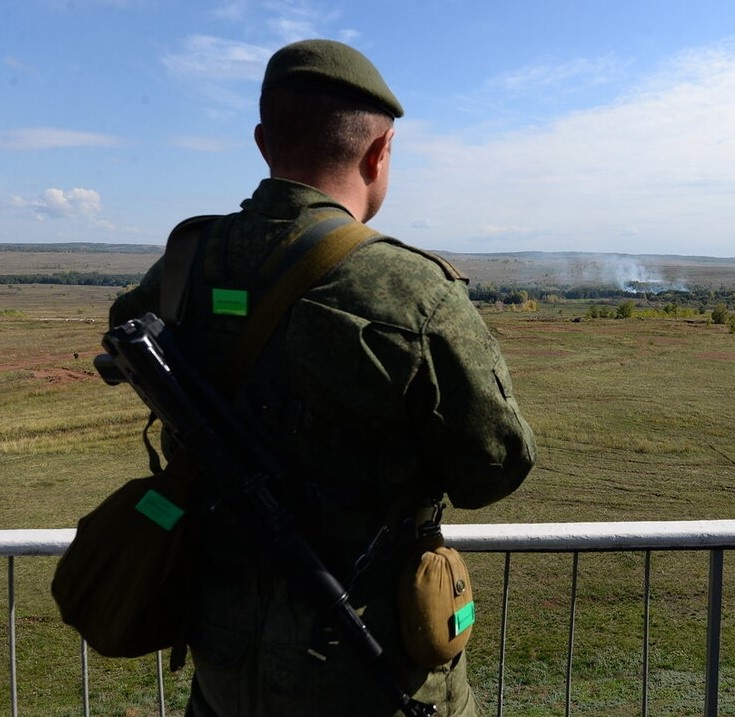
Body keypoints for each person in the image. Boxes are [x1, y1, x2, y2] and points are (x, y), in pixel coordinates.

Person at [109, 39, 537, 716]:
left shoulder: (191, 259)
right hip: (365, 658)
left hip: (223, 653)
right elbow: (495, 466)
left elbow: (123, 337)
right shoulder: (409, 288)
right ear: (379, 152)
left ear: (261, 140)